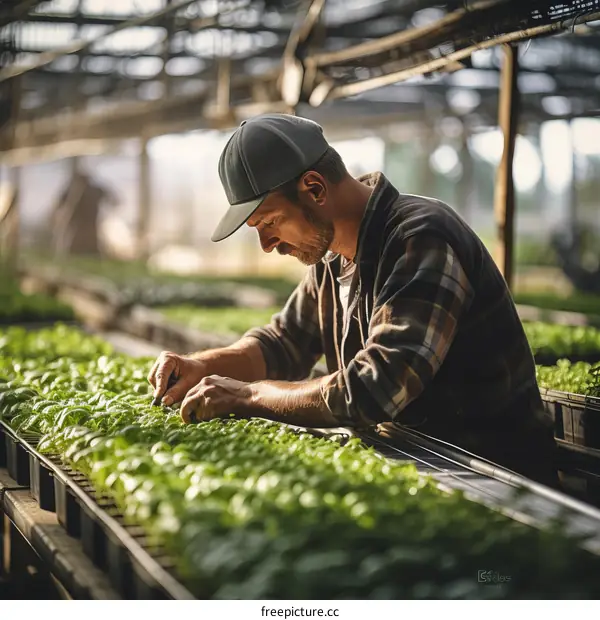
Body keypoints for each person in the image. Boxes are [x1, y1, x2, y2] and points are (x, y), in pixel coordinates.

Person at [148, 113, 558, 487]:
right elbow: (283, 343)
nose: (267, 244)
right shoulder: (330, 259)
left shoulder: (422, 238)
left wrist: (247, 396)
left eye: (269, 222)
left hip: (496, 482)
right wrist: (201, 364)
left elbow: (372, 389)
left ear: (314, 188)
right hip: (416, 471)